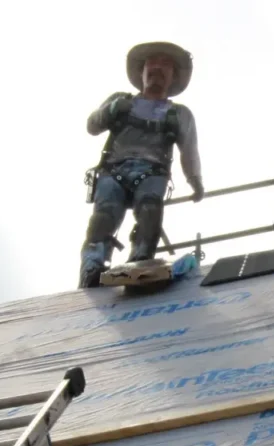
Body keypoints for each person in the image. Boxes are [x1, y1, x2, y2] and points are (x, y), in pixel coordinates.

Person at [78, 41, 206, 289]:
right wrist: (111, 110)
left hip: (152, 172)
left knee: (150, 214)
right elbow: (92, 125)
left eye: (165, 64)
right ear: (142, 70)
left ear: (173, 76)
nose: (158, 68)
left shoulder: (179, 114)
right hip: (113, 169)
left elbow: (189, 151)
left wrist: (195, 181)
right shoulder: (120, 100)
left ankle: (140, 262)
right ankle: (92, 265)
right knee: (103, 219)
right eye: (153, 63)